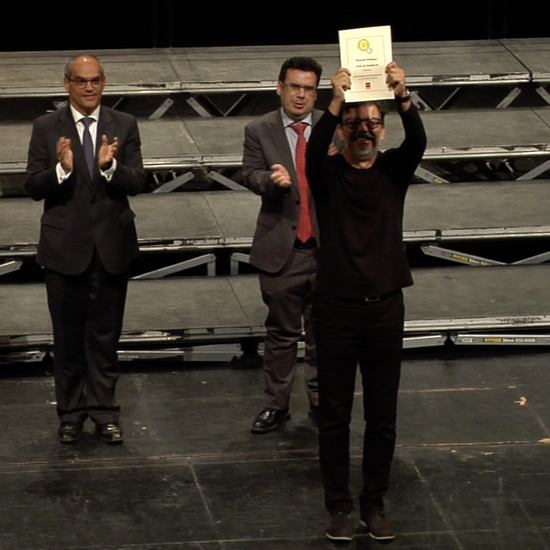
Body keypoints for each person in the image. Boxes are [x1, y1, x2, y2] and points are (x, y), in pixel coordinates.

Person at [306, 62, 427, 541]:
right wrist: (334, 101)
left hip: (384, 307)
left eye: (372, 124)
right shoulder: (328, 173)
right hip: (336, 308)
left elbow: (417, 142)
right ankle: (337, 506)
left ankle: (373, 503)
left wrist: (402, 95)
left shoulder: (394, 170)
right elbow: (313, 150)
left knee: (382, 416)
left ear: (381, 130)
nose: (364, 131)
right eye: (356, 124)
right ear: (343, 130)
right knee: (334, 417)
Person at [25, 54, 146, 444]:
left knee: (105, 337)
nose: (89, 87)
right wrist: (61, 169)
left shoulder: (123, 124)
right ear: (67, 84)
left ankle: (105, 412)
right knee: (68, 337)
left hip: (112, 246)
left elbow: (138, 181)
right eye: (81, 81)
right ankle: (71, 413)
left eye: (95, 81)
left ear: (104, 82)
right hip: (64, 248)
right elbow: (31, 187)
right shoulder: (47, 126)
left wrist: (110, 168)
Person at [242, 57, 323, 433]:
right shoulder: (260, 129)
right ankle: (276, 405)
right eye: (294, 86)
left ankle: (323, 403)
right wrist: (271, 181)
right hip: (282, 248)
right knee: (281, 334)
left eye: (308, 88)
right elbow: (250, 173)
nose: (301, 95)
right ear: (280, 87)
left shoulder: (332, 126)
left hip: (326, 250)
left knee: (325, 332)